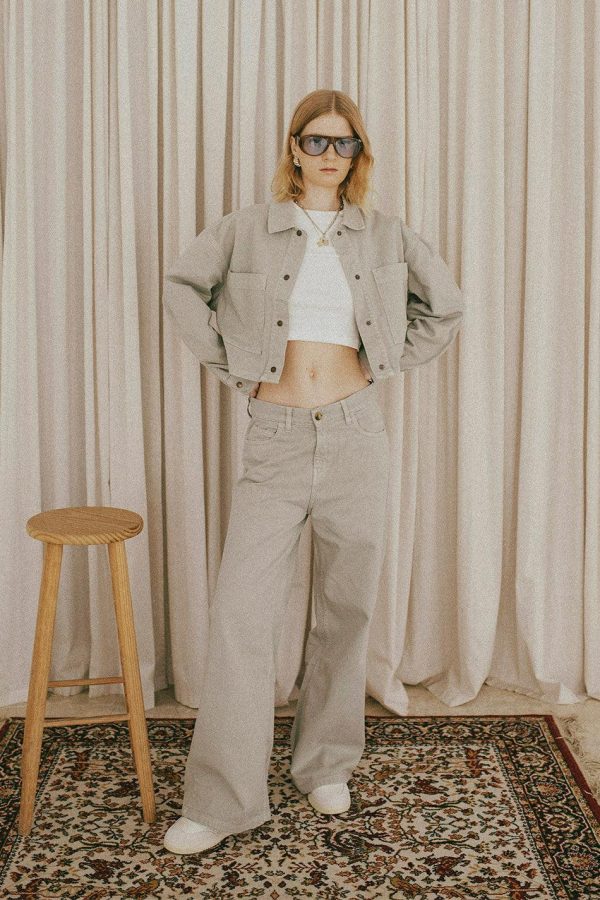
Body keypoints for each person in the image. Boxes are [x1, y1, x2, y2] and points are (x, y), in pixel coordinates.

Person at [162, 89, 464, 854]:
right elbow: (183, 288)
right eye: (318, 141)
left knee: (345, 608)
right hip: (277, 439)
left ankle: (325, 762)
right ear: (294, 148)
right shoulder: (247, 229)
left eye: (345, 143)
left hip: (358, 436)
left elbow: (445, 308)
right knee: (240, 615)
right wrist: (235, 368)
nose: (331, 155)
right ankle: (222, 800)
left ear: (359, 154)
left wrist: (382, 363)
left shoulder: (386, 235)